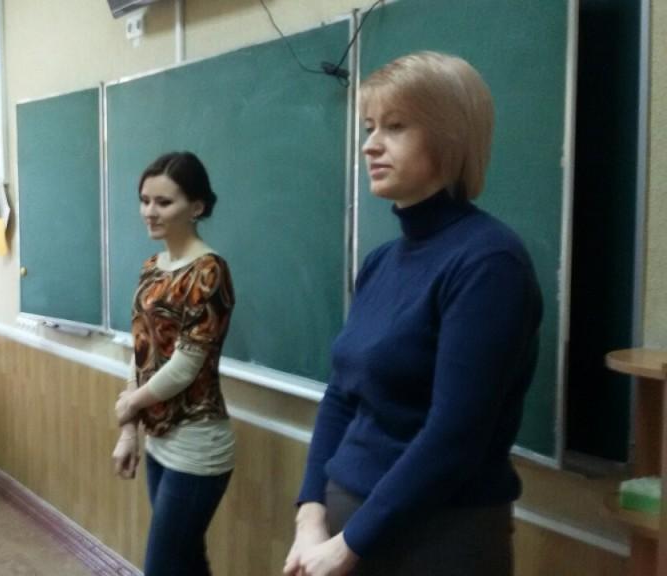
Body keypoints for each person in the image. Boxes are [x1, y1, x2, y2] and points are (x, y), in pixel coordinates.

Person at [284, 52, 543, 576]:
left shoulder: (489, 262)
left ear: (450, 137)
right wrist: (310, 514)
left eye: (396, 127)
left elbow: (455, 436)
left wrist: (348, 545)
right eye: (369, 127)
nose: (370, 145)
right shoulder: (381, 262)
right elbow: (342, 396)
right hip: (345, 527)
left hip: (439, 538)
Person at [112, 151, 236, 575]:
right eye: (145, 200)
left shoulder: (209, 271)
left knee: (163, 567)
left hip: (198, 443)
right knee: (186, 563)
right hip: (159, 438)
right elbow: (142, 351)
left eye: (164, 202)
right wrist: (129, 429)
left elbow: (186, 365)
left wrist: (130, 404)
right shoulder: (153, 267)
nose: (150, 211)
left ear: (196, 207)